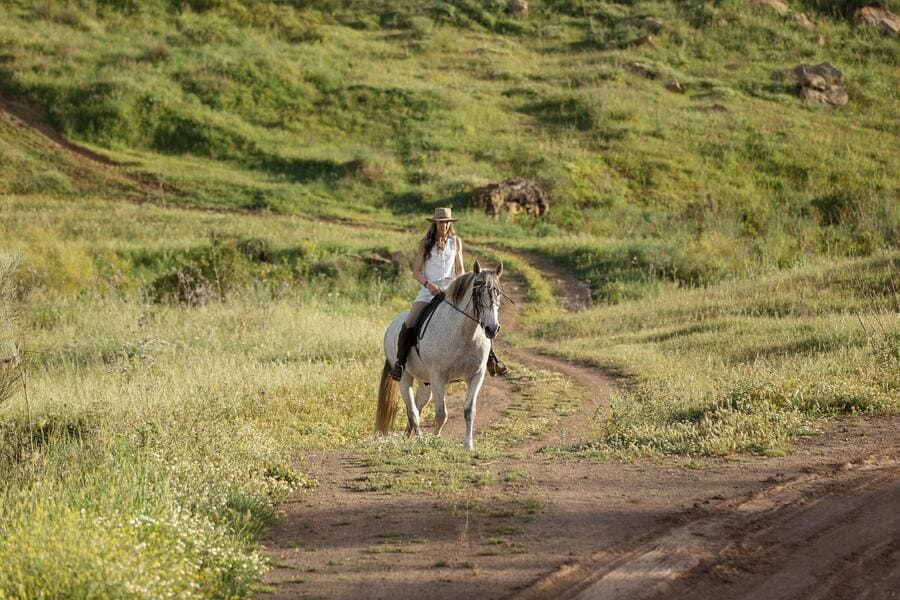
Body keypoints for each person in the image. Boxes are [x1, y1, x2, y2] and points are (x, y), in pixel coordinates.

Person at [389, 207, 508, 381]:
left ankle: (491, 359)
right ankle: (400, 363)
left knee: (480, 316)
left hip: (452, 292)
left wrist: (459, 286)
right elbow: (416, 272)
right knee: (410, 322)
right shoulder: (425, 243)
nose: (444, 226)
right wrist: (430, 286)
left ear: (450, 224)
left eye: (447, 223)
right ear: (435, 223)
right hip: (429, 292)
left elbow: (459, 269)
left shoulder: (456, 242)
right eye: (441, 223)